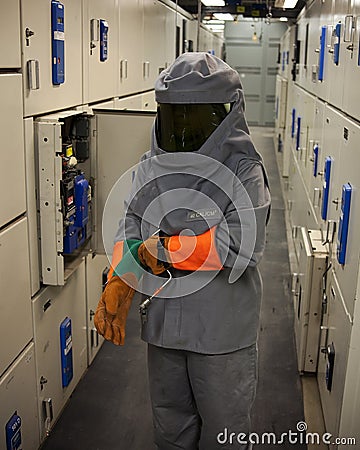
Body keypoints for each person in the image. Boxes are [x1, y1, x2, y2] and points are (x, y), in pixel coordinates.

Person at [95, 52, 271, 450]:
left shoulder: (244, 169)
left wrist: (161, 250)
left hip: (221, 334)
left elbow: (240, 243)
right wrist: (120, 278)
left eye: (194, 114)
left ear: (223, 114)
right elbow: (130, 226)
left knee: (224, 433)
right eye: (176, 114)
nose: (184, 126)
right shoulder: (149, 166)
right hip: (165, 328)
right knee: (171, 429)